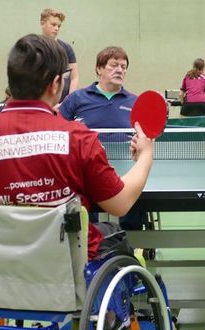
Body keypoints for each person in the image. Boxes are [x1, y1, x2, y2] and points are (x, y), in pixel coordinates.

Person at [0, 34, 154, 261]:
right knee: (113, 234)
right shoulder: (79, 139)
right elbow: (119, 204)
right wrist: (146, 155)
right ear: (56, 85)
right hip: (66, 265)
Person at [59, 46, 145, 231]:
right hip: (87, 166)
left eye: (123, 66)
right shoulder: (76, 98)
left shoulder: (135, 101)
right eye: (114, 65)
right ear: (99, 68)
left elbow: (144, 137)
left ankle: (134, 240)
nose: (120, 70)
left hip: (126, 165)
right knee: (86, 209)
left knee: (136, 201)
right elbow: (59, 130)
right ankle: (93, 241)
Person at [40, 8, 79, 103]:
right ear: (42, 24)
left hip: (63, 104)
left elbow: (74, 77)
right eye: (53, 25)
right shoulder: (32, 46)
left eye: (59, 26)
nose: (57, 28)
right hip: (40, 103)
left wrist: (68, 101)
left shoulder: (66, 48)